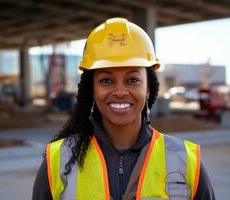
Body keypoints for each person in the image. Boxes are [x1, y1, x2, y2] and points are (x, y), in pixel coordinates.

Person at [33, 18, 215, 200]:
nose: (120, 91)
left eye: (133, 80)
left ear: (148, 88)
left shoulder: (186, 162)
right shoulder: (57, 161)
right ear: (92, 89)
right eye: (106, 81)